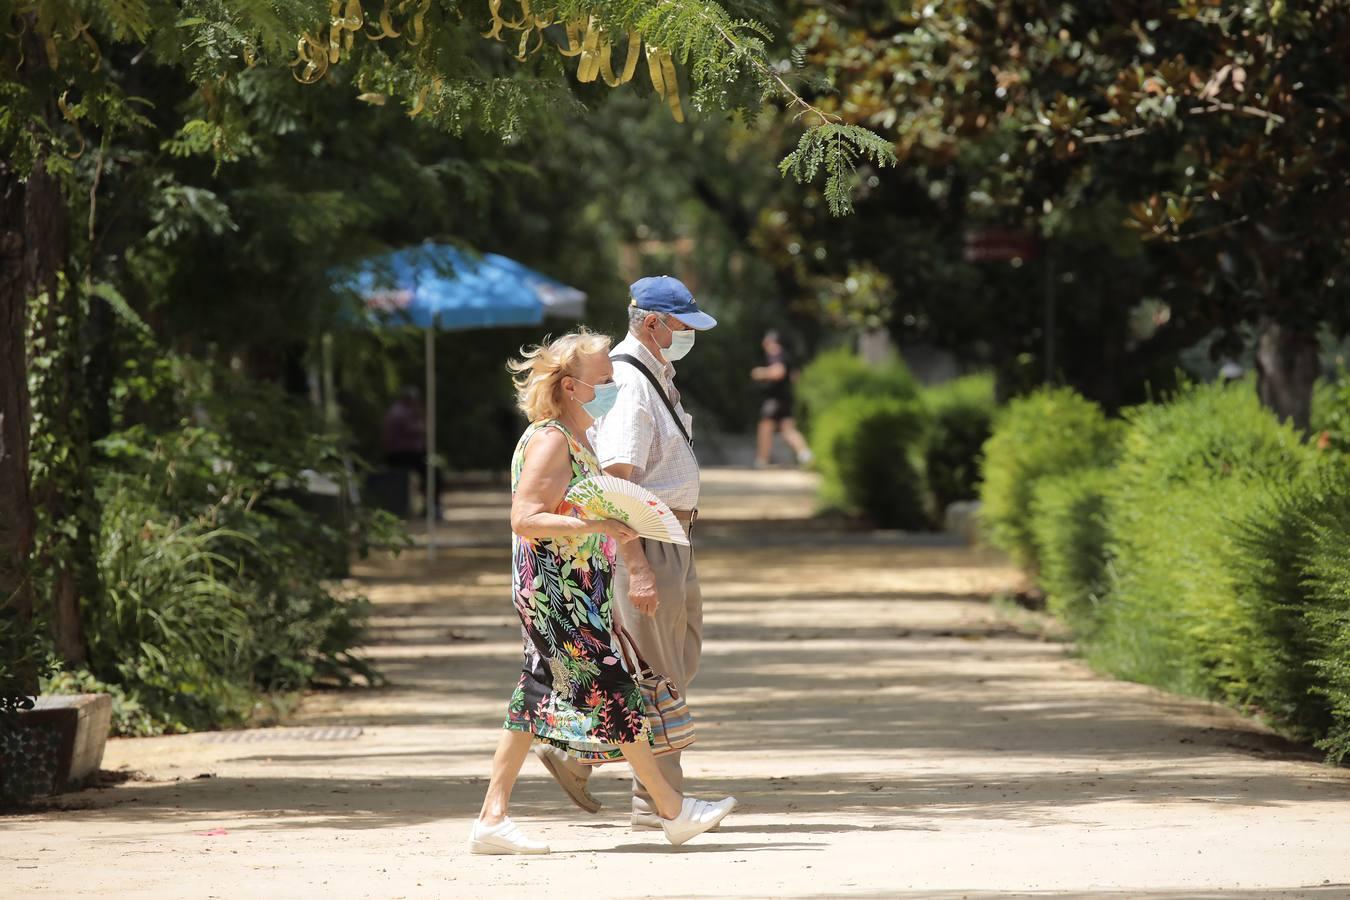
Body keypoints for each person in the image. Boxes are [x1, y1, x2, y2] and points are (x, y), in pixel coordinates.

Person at [469, 328, 736, 855]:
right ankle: (671, 809)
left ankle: (491, 818)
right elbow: (525, 518)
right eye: (604, 381)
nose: (613, 388)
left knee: (531, 701)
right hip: (556, 595)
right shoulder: (551, 440)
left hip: (567, 591)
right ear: (571, 387)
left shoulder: (573, 437)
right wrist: (597, 528)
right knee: (617, 693)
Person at [533, 276, 717, 830]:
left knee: (674, 662)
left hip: (670, 538)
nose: (688, 333)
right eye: (682, 323)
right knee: (660, 672)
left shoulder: (653, 374)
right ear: (653, 321)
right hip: (649, 540)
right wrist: (635, 561)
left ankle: (578, 757)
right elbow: (617, 481)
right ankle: (660, 804)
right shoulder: (631, 382)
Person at [750, 330, 812, 468]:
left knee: (765, 427)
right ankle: (806, 456)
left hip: (775, 399)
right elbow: (796, 377)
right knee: (788, 430)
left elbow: (779, 372)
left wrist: (761, 373)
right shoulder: (786, 355)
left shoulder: (775, 352)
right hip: (786, 397)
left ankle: (762, 460)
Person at [380, 385, 439, 514]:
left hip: (405, 454)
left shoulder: (401, 411)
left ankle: (430, 505)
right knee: (432, 473)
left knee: (431, 470)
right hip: (402, 455)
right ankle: (432, 506)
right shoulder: (400, 413)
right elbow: (420, 430)